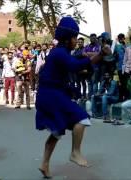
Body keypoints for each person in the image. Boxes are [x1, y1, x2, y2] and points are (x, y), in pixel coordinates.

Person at [35, 17, 105, 178]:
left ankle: (44, 164)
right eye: (74, 38)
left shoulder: (60, 52)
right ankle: (75, 152)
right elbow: (74, 66)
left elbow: (60, 75)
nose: (76, 41)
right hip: (51, 95)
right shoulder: (60, 53)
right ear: (67, 39)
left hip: (47, 95)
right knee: (82, 119)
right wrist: (100, 54)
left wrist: (70, 89)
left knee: (57, 131)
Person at [113, 33, 126, 101]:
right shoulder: (116, 46)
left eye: (122, 38)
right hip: (119, 67)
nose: (121, 40)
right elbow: (112, 54)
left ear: (124, 38)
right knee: (120, 83)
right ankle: (120, 97)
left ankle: (126, 96)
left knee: (125, 82)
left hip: (127, 67)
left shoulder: (127, 46)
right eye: (119, 38)